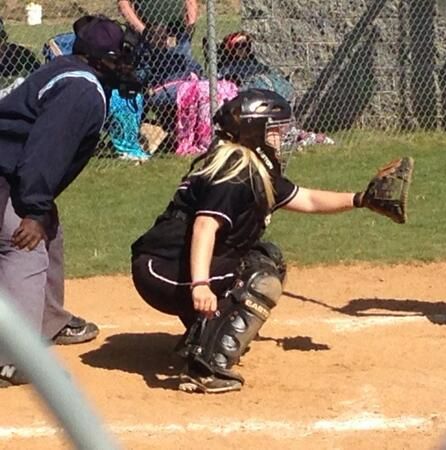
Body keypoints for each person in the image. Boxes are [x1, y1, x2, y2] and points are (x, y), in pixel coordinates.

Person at [131, 88, 413, 393]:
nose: (281, 139)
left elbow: (308, 199)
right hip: (162, 270)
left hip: (171, 263)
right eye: (275, 131)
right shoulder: (235, 173)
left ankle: (202, 337)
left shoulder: (251, 166)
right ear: (255, 131)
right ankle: (205, 368)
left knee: (267, 258)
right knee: (258, 278)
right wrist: (200, 284)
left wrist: (361, 199)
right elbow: (204, 227)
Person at [0, 15, 143, 387]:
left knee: (50, 229)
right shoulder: (81, 91)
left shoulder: (67, 70)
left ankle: (48, 321)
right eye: (117, 56)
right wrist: (33, 209)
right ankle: (12, 358)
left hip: (11, 170)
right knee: (24, 245)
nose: (124, 63)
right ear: (98, 59)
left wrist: (41, 208)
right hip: (8, 173)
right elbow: (45, 152)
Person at [118, 0, 199, 59]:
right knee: (150, 72)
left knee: (182, 69)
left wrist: (191, 22)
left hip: (177, 32)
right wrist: (144, 30)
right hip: (150, 37)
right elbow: (123, 4)